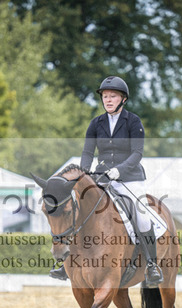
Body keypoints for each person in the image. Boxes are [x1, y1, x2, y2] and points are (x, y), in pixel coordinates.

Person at [49, 76, 163, 286]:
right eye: (105, 96)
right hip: (101, 178)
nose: (108, 100)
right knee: (77, 211)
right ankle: (66, 263)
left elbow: (137, 153)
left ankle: (151, 265)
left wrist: (119, 170)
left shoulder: (133, 122)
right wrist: (83, 173)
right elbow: (87, 152)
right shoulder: (96, 123)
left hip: (130, 178)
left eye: (113, 96)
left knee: (142, 216)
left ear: (123, 99)